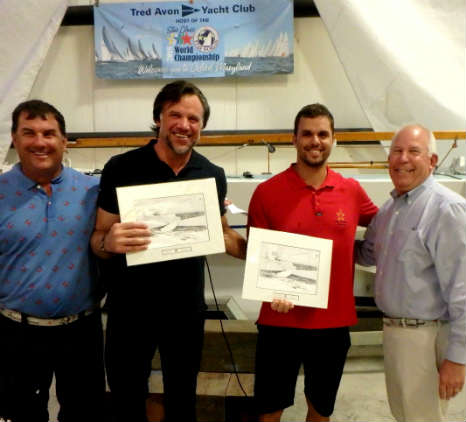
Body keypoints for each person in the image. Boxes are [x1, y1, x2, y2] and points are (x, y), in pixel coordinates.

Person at [90, 80, 246, 422]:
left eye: (194, 119)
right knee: (126, 399)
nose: (184, 125)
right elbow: (98, 239)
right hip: (129, 310)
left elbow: (222, 235)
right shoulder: (122, 167)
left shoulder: (212, 174)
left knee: (182, 401)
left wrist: (258, 251)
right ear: (159, 117)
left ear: (202, 126)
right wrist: (108, 243)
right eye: (175, 114)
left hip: (184, 313)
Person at [247, 103, 378, 422]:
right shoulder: (266, 192)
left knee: (320, 410)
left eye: (322, 134)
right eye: (307, 133)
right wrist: (271, 288)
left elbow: (386, 226)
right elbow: (258, 255)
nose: (314, 141)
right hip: (280, 321)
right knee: (268, 410)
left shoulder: (351, 190)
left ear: (334, 140)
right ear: (294, 139)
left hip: (332, 324)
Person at [0, 100, 105, 422]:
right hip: (15, 332)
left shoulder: (93, 191)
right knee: (21, 415)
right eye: (28, 133)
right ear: (15, 140)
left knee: (84, 415)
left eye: (49, 133)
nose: (40, 142)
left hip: (81, 331)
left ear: (64, 140)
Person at [356, 124, 466, 421]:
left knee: (423, 417)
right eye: (397, 151)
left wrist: (457, 358)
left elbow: (463, 290)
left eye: (414, 151)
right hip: (395, 334)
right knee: (404, 414)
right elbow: (364, 253)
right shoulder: (390, 209)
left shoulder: (447, 210)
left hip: (426, 337)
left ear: (432, 161)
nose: (403, 158)